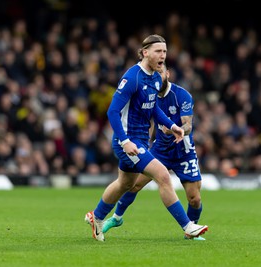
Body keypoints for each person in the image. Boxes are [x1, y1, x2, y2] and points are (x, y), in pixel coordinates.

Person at [84, 34, 208, 242]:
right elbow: (112, 112)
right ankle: (188, 226)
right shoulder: (132, 77)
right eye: (158, 51)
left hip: (141, 141)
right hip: (128, 141)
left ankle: (95, 217)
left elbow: (154, 109)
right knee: (163, 175)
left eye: (165, 51)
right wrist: (125, 141)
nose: (163, 55)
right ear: (145, 52)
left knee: (124, 184)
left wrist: (173, 126)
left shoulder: (154, 78)